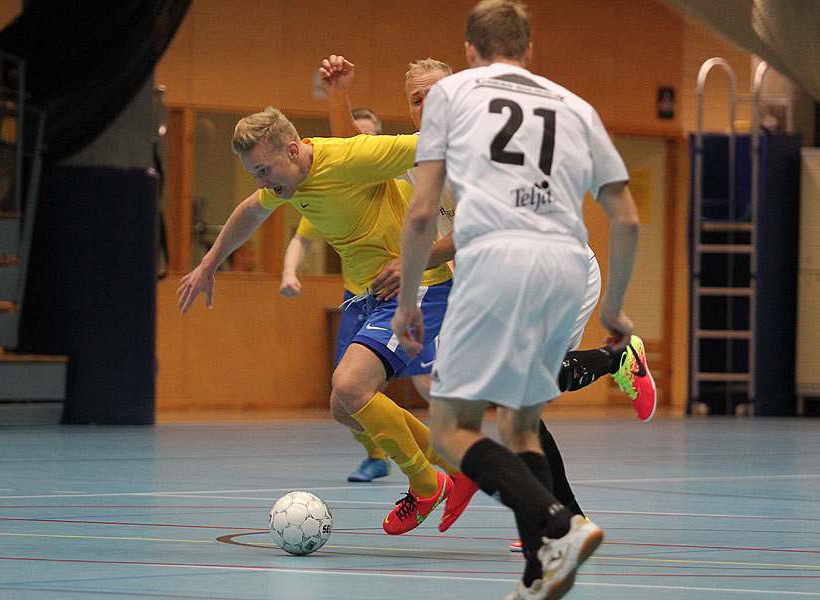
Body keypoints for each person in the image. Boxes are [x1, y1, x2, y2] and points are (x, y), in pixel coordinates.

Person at [324, 53, 655, 540]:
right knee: (508, 394)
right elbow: (350, 150)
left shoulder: (483, 149)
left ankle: (562, 515)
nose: (428, 104)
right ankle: (610, 371)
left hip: (555, 270)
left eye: (437, 93)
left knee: (516, 396)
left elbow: (478, 226)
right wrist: (338, 95)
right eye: (417, 99)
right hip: (500, 280)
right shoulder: (419, 152)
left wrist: (417, 264)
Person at [391, 1, 640, 598]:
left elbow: (423, 210)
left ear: (470, 51)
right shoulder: (575, 106)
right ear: (530, 52)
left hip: (497, 257)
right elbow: (627, 219)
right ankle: (538, 574)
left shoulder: (450, 93)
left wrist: (406, 301)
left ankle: (560, 525)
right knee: (521, 427)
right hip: (567, 264)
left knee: (450, 428)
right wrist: (614, 311)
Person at [176, 100, 468, 536]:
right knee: (345, 408)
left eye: (264, 170)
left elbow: (434, 143)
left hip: (416, 283)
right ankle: (454, 467)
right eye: (254, 172)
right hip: (368, 293)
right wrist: (208, 265)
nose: (261, 181)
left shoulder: (351, 159)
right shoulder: (285, 183)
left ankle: (428, 484)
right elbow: (249, 212)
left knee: (351, 386)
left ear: (293, 150)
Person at [279, 106, 396, 483]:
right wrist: (287, 272)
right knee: (345, 393)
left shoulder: (397, 181)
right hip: (357, 300)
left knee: (426, 383)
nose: (357, 142)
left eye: (366, 136)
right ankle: (379, 454)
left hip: (404, 294)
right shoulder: (327, 189)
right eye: (351, 135)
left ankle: (448, 457)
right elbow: (300, 239)